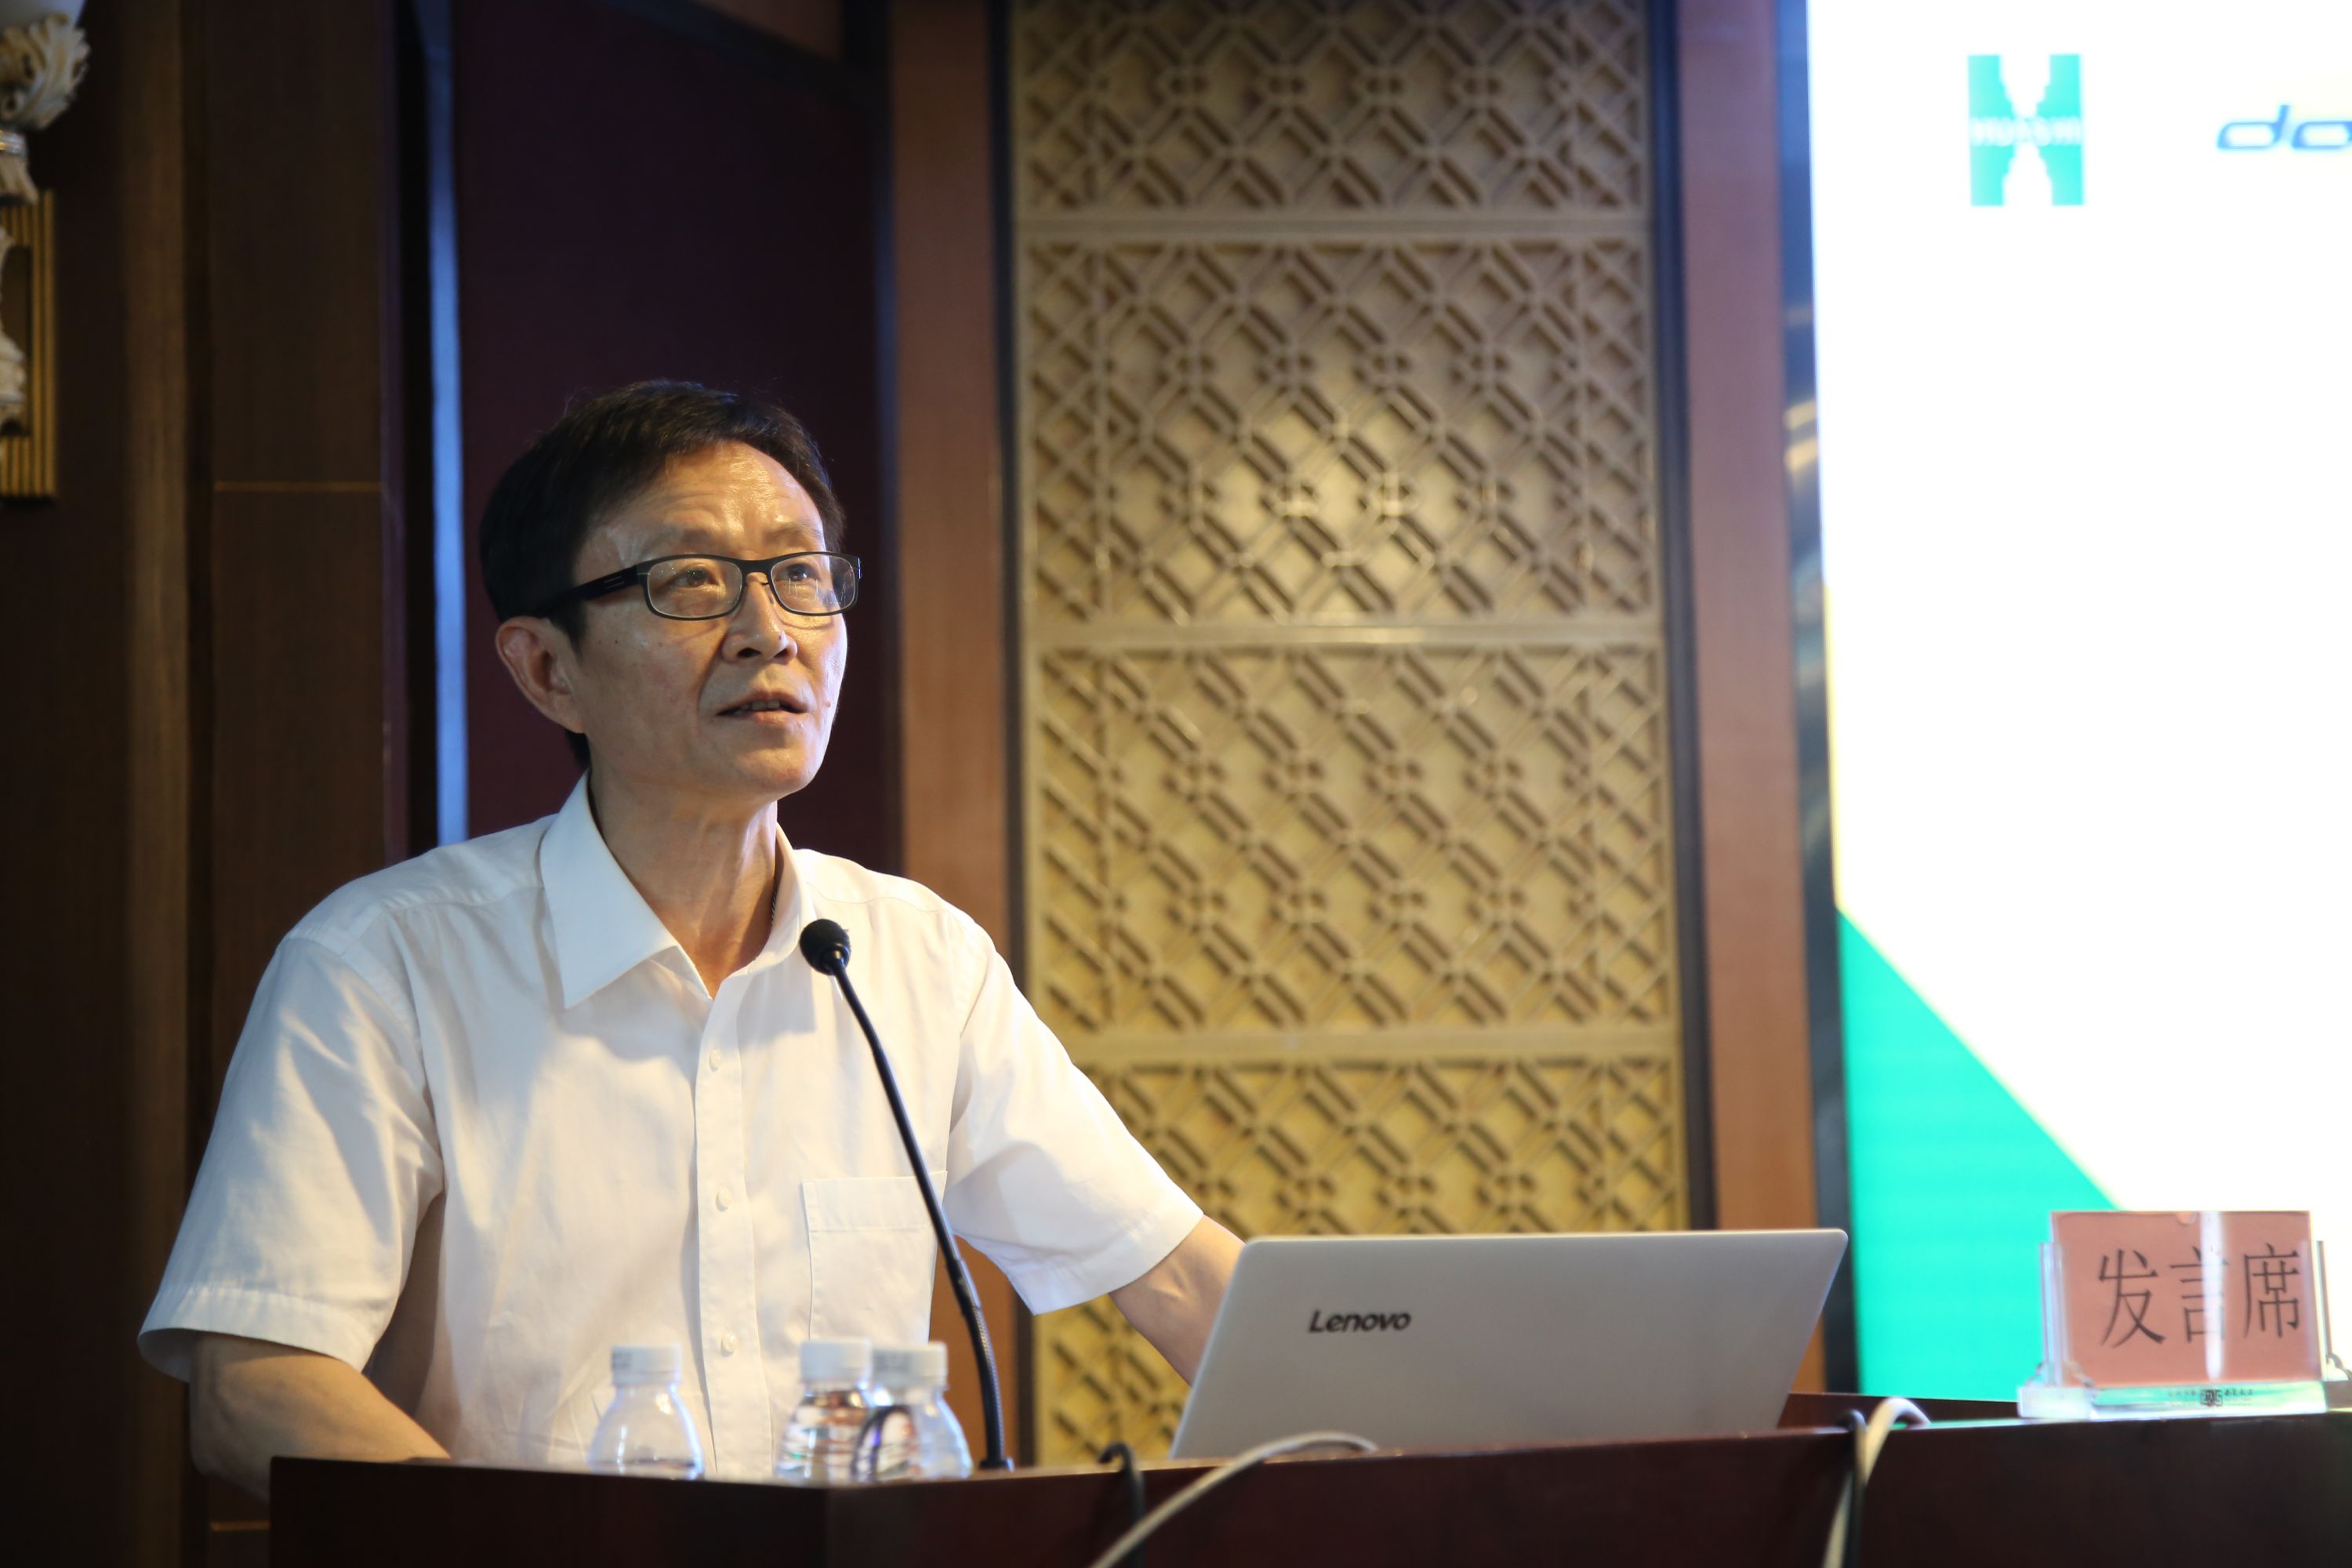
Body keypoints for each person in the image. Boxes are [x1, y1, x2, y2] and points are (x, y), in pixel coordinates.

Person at [139, 382, 1241, 1494]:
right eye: (692, 584)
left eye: (802, 575)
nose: (771, 633)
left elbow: (1181, 1283)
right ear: (547, 669)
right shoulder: (385, 967)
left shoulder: (918, 963)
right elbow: (257, 1383)